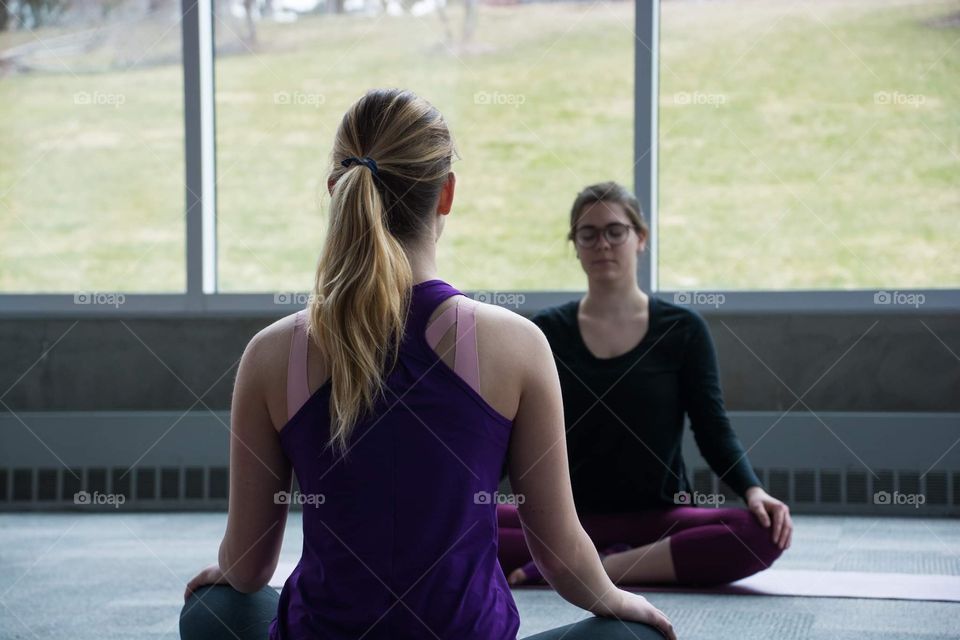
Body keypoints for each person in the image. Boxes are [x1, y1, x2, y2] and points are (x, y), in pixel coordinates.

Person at [179, 89, 676, 640]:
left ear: (335, 191)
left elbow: (249, 567)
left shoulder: (272, 351)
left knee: (214, 608)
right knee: (633, 636)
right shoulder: (517, 344)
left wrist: (226, 570)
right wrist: (618, 600)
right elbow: (560, 556)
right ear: (446, 194)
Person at [498, 181, 792, 588]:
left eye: (615, 231)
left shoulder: (682, 330)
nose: (603, 244)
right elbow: (512, 435)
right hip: (567, 520)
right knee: (453, 525)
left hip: (660, 519)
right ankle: (582, 557)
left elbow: (712, 427)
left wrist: (753, 491)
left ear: (640, 238)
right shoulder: (546, 332)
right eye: (588, 234)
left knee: (763, 531)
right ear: (575, 245)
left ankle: (590, 570)